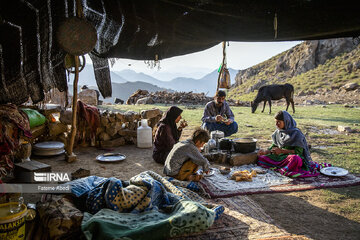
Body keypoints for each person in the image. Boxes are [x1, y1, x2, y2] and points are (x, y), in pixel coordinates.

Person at [257, 111, 331, 177]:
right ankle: (283, 167)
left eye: (279, 122)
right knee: (261, 158)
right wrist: (266, 151)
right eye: (276, 122)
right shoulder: (278, 133)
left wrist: (282, 151)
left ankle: (283, 168)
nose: (276, 124)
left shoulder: (296, 133)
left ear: (286, 121)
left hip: (291, 157)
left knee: (295, 159)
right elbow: (274, 146)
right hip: (281, 157)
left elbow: (299, 152)